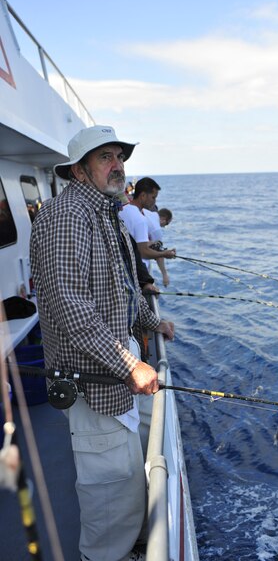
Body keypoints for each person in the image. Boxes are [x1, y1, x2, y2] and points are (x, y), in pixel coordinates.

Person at [30, 125, 174, 561]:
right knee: (108, 484)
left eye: (120, 157)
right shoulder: (65, 216)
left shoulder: (106, 214)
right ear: (79, 169)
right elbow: (70, 304)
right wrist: (130, 364)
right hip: (93, 379)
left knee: (130, 468)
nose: (118, 166)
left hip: (118, 366)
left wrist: (152, 320)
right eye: (106, 158)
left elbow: (123, 291)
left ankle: (131, 540)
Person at [119, 178, 176, 276]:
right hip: (136, 272)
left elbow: (131, 242)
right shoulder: (141, 220)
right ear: (143, 196)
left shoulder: (122, 209)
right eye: (153, 197)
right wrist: (164, 254)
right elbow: (143, 252)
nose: (154, 202)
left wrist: (149, 244)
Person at [144, 208, 173, 287]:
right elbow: (159, 255)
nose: (164, 226)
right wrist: (165, 275)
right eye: (166, 224)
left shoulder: (147, 212)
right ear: (163, 220)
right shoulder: (157, 229)